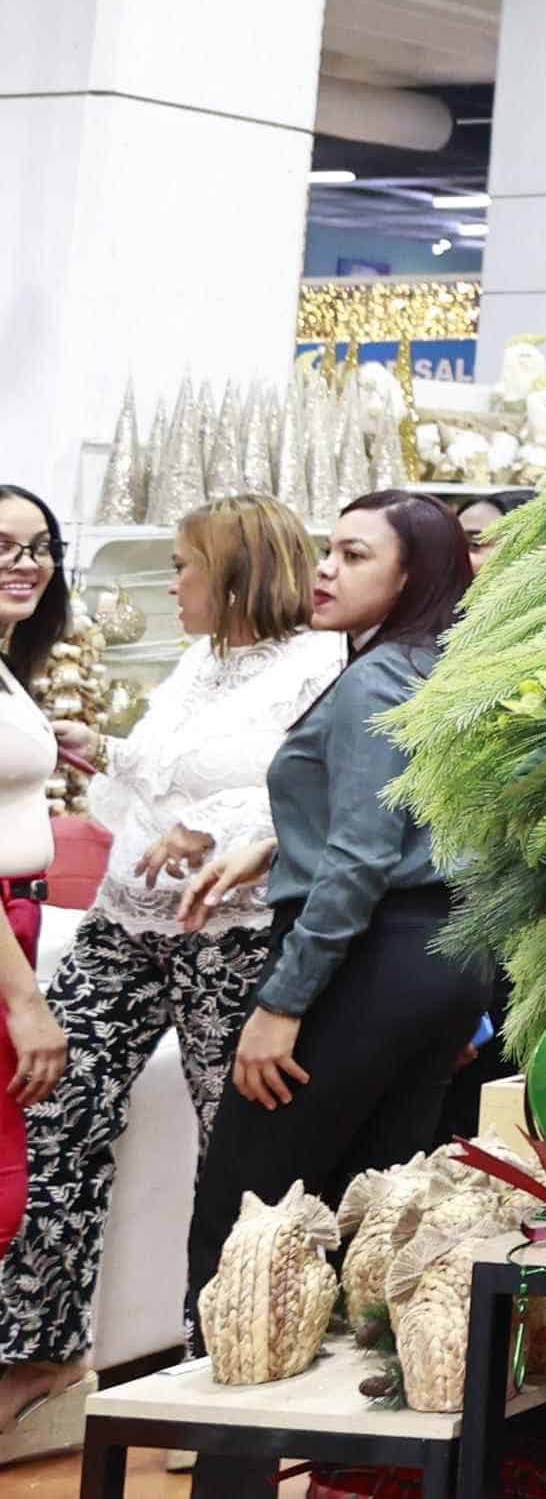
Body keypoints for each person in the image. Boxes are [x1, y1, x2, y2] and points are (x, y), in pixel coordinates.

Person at [0, 497, 340, 1412]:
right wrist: (99, 750)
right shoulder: (199, 660)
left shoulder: (323, 665)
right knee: (53, 1102)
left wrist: (215, 830)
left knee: (228, 1146)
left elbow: (315, 803)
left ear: (234, 575)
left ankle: (224, 1361)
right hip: (127, 919)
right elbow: (164, 774)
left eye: (185, 565)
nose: (171, 582)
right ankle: (36, 1349)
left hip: (230, 933)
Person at [177, 492, 490, 1328]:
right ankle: (350, 1456)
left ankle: (223, 1444)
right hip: (442, 959)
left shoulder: (377, 679)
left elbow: (360, 859)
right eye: (327, 551)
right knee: (374, 1221)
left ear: (411, 576)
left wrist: (281, 1004)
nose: (324, 570)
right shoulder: (446, 674)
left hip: (364, 963)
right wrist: (281, 843)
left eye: (354, 557)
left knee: (246, 1227)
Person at [0, 492, 93, 1261]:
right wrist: (26, 1004)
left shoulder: (10, 666)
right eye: (1, 544)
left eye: (38, 547)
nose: (24, 564)